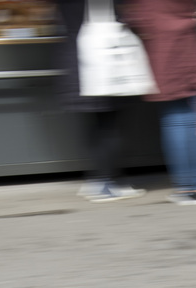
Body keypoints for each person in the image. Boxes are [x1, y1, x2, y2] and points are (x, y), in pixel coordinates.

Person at [125, 0, 196, 205]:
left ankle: (187, 186)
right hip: (190, 48)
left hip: (161, 50)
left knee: (175, 119)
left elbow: (136, 15)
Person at [56, 0, 148, 202]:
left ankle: (99, 179)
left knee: (97, 125)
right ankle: (105, 183)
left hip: (79, 58)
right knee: (110, 125)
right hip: (103, 62)